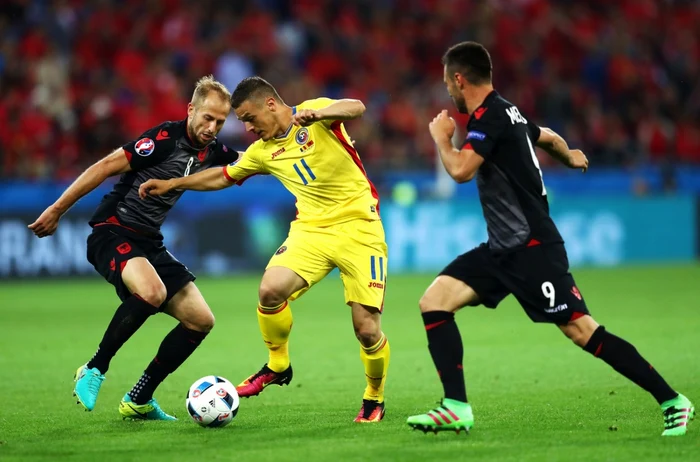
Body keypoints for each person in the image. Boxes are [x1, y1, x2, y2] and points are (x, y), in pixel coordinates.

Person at [406, 42, 695, 436]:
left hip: (533, 249)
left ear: (460, 79)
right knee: (434, 302)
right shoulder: (509, 110)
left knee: (582, 331)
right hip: (501, 249)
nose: (447, 92)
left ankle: (673, 401)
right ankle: (455, 406)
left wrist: (442, 139)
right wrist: (569, 155)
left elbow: (460, 171)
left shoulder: (489, 118)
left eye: (447, 83)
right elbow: (547, 136)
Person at [139, 76, 390, 423]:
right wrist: (173, 183)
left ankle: (374, 397)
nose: (247, 128)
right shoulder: (262, 152)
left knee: (366, 329)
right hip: (312, 231)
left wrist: (319, 116)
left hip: (360, 229)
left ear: (270, 105)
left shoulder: (315, 113)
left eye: (248, 117)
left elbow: (357, 107)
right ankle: (277, 365)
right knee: (270, 290)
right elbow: (222, 176)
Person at [29, 76, 239, 420]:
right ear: (191, 110)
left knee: (200, 320)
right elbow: (104, 167)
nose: (212, 127)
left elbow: (250, 161)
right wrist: (56, 209)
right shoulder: (161, 141)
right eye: (207, 118)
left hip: (149, 241)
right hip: (112, 231)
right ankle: (94, 368)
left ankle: (139, 398)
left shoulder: (212, 149)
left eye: (220, 121)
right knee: (153, 292)